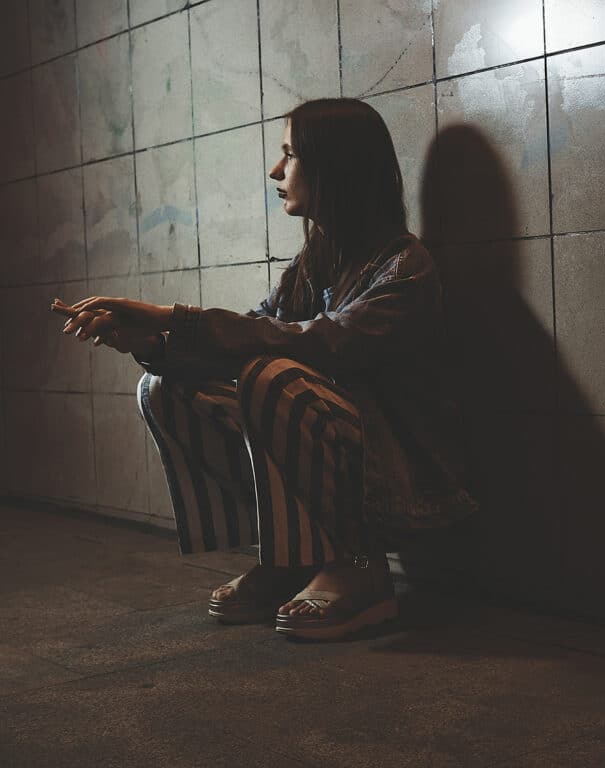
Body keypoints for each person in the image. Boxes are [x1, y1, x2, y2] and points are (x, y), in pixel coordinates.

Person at [52, 98, 478, 641]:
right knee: (165, 387)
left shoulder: (406, 268)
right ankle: (291, 558)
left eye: (290, 155)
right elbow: (253, 331)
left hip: (402, 479)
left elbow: (323, 343)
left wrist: (172, 317)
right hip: (356, 458)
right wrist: (155, 343)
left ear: (335, 166)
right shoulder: (312, 265)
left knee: (272, 376)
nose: (277, 171)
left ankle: (360, 568)